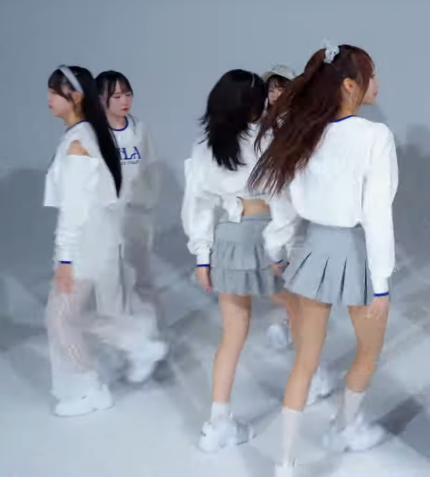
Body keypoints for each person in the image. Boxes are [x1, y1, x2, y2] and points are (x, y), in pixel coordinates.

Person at [249, 43, 397, 476]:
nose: (378, 83)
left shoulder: (304, 131)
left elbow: (284, 201)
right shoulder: (375, 136)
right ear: (350, 85)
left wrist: (277, 248)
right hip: (356, 250)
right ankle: (345, 427)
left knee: (305, 360)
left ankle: (285, 461)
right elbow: (377, 213)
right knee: (369, 350)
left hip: (312, 251)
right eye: (372, 74)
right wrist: (382, 281)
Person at [181, 69, 332, 453]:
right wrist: (279, 248)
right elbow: (282, 202)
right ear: (253, 105)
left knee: (232, 333)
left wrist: (202, 256)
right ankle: (312, 378)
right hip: (263, 235)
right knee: (298, 311)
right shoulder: (266, 141)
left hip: (227, 239)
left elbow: (197, 206)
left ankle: (217, 424)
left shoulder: (204, 146)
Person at [42, 65, 167, 417]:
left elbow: (74, 210)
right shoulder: (89, 135)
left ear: (75, 97)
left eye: (54, 91)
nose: (48, 98)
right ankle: (135, 342)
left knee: (60, 318)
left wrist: (65, 259)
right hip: (96, 238)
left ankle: (92, 387)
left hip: (85, 243)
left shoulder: (80, 143)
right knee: (67, 316)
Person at [96, 70, 165, 379]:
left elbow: (152, 169)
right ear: (101, 99)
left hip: (135, 216)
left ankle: (153, 341)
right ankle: (127, 345)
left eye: (127, 94)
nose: (124, 100)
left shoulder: (139, 129)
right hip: (105, 219)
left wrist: (146, 202)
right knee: (109, 285)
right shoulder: (92, 135)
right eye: (116, 95)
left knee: (141, 278)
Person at [258, 64, 300, 351]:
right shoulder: (262, 124)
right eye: (271, 89)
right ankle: (288, 321)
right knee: (276, 269)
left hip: (295, 201)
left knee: (293, 265)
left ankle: (293, 326)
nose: (275, 94)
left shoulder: (302, 122)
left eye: (280, 88)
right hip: (269, 202)